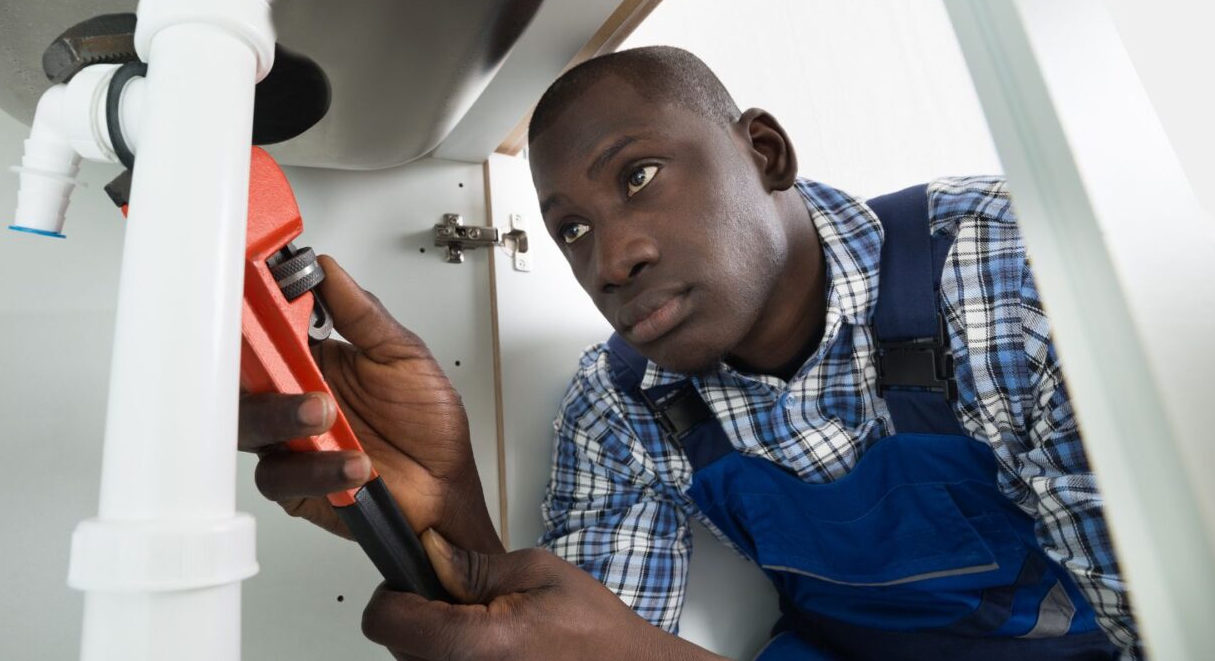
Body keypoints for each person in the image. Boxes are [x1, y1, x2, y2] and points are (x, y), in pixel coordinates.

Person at [238, 46, 1139, 660]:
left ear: (764, 152)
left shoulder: (1007, 278)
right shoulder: (620, 407)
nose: (611, 257)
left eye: (638, 176)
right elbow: (580, 643)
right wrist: (443, 514)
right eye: (572, 230)